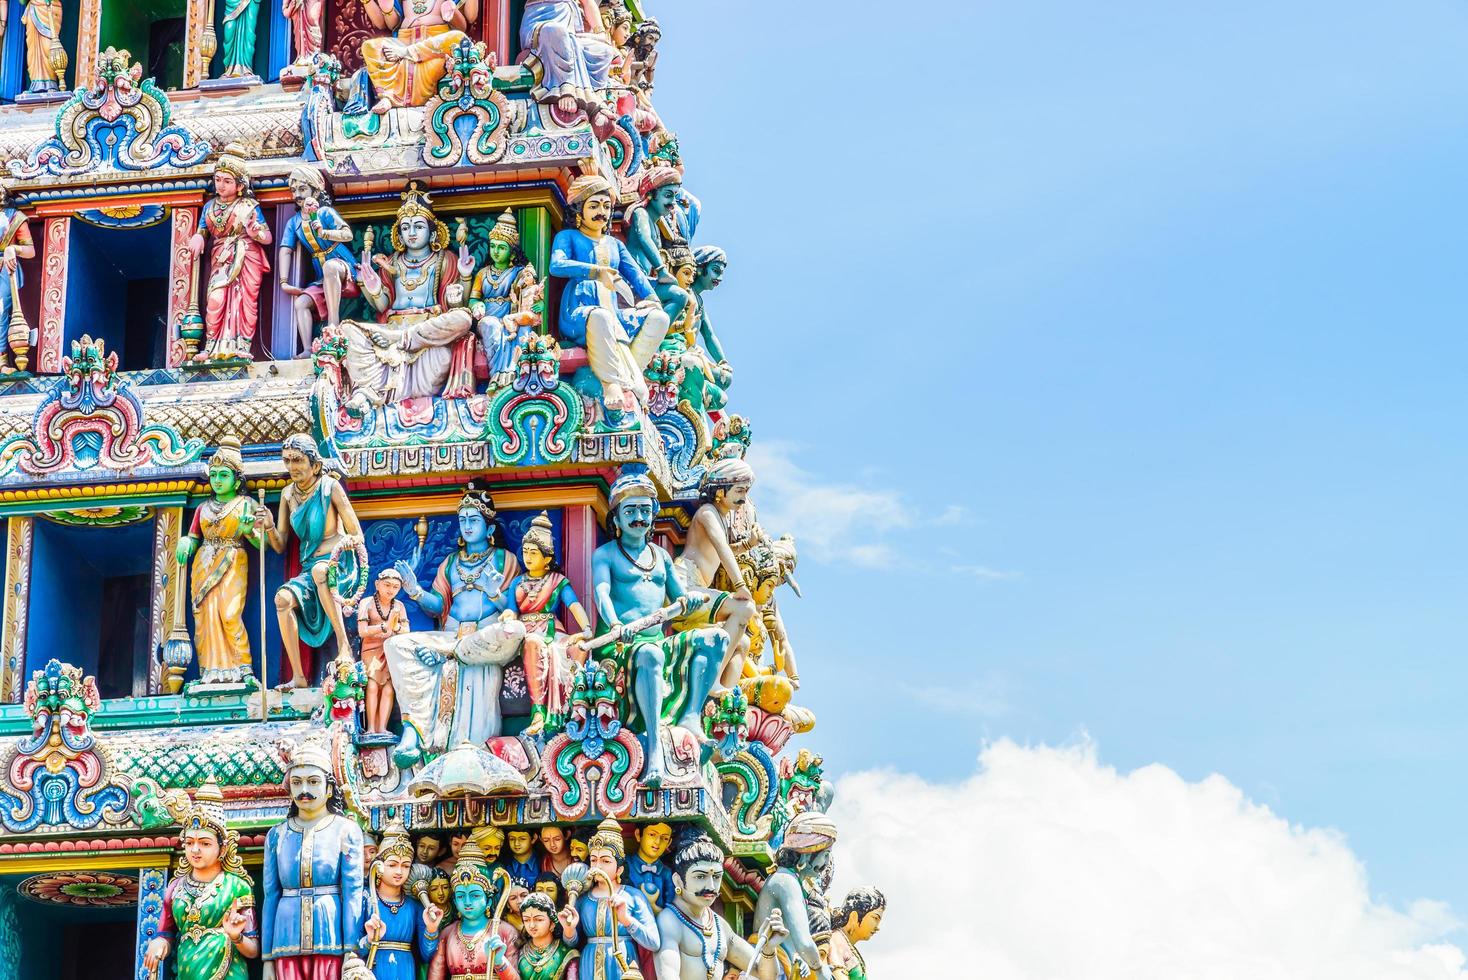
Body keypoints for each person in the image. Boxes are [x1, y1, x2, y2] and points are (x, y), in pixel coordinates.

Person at [590, 470, 724, 786]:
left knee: (714, 638)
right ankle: (653, 752)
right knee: (650, 653)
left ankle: (691, 716)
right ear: (617, 519)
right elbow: (601, 593)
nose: (639, 517)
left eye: (645, 511)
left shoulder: (662, 557)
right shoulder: (606, 555)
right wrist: (616, 623)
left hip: (654, 639)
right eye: (630, 511)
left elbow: (679, 598)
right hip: (620, 643)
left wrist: (690, 600)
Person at [386, 482, 523, 761]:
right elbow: (438, 606)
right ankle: (412, 735)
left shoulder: (504, 560)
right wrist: (415, 591)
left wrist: (495, 591)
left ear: (490, 528)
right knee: (396, 645)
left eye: (474, 520)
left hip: (485, 638)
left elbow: (511, 610)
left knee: (513, 631)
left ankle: (448, 654)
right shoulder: (450, 562)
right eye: (462, 521)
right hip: (451, 636)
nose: (467, 526)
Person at [341, 182, 477, 411]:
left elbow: (457, 306)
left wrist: (464, 277)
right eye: (405, 228)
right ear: (399, 234)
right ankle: (367, 392)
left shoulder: (445, 259)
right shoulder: (393, 261)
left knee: (463, 318)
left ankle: (398, 352)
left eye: (418, 226)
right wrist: (371, 285)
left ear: (433, 232)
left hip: (426, 335)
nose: (412, 233)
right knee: (348, 331)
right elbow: (383, 304)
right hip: (392, 329)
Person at [549, 175, 670, 426]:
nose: (601, 212)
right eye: (594, 206)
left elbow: (635, 275)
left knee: (659, 318)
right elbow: (557, 265)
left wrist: (652, 300)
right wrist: (595, 272)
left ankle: (629, 372)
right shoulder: (569, 237)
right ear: (579, 210)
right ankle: (610, 383)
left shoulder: (615, 245)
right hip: (580, 311)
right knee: (600, 316)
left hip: (614, 313)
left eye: (605, 207)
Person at [257, 434, 364, 687]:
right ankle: (299, 676)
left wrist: (345, 544)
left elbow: (356, 534)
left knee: (320, 571)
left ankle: (344, 647)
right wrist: (270, 526)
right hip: (310, 569)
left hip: (339, 564)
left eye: (298, 460)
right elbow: (281, 544)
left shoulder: (330, 488)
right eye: (287, 461)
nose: (292, 467)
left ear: (314, 465)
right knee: (282, 599)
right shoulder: (287, 495)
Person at [262, 738, 366, 980]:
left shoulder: (346, 830)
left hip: (330, 936)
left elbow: (353, 893)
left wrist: (352, 950)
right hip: (285, 937)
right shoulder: (276, 835)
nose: (303, 790)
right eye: (296, 783)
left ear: (329, 789)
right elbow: (270, 896)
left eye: (313, 782)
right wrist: (268, 959)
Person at [143, 777, 260, 980]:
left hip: (227, 972)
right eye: (189, 843)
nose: (195, 850)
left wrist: (235, 936)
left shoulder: (236, 887)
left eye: (205, 844)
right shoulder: (175, 888)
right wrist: (159, 943)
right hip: (187, 971)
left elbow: (253, 950)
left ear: (222, 848)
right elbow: (166, 934)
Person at [176, 434, 265, 686]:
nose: (217, 480)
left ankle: (244, 669)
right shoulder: (202, 508)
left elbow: (262, 544)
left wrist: (249, 531)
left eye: (223, 475)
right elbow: (194, 536)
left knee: (229, 614)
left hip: (233, 558)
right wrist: (186, 541)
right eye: (213, 475)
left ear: (237, 481)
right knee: (204, 617)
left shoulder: (246, 504)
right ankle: (209, 672)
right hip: (204, 561)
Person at [672, 457, 758, 690]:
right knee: (745, 608)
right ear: (720, 490)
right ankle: (712, 682)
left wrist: (748, 545)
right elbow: (722, 550)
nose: (743, 498)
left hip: (700, 588)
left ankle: (721, 702)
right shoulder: (708, 512)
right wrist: (741, 586)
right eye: (739, 490)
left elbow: (722, 550)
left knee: (743, 644)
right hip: (685, 586)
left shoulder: (718, 516)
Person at [502, 512, 591, 736]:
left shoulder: (557, 581)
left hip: (552, 630)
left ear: (547, 558)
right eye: (525, 552)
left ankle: (572, 710)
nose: (528, 558)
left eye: (534, 553)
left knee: (576, 649)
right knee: (532, 643)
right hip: (525, 632)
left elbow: (573, 605)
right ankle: (539, 711)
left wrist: (586, 629)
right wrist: (507, 616)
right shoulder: (517, 583)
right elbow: (512, 609)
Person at [653, 830, 783, 980]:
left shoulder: (719, 926)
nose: (711, 885)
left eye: (716, 877)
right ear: (678, 880)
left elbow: (765, 974)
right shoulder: (670, 921)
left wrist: (768, 948)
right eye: (700, 876)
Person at [190, 151, 272, 362]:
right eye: (217, 180)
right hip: (220, 258)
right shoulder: (209, 206)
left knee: (244, 302)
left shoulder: (248, 206)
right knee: (215, 301)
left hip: (245, 257)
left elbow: (268, 237)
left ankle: (242, 345)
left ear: (240, 186)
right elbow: (202, 230)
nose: (220, 185)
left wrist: (256, 233)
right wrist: (199, 237)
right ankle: (210, 347)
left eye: (227, 181)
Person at [564, 819, 658, 980]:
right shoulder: (583, 899)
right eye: (593, 860)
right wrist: (569, 929)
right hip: (589, 963)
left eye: (606, 861)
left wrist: (626, 920)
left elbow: (654, 942)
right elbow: (571, 943)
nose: (598, 866)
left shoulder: (633, 896)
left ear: (620, 868)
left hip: (622, 960)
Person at [279, 166, 357, 355]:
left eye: (302, 189)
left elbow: (348, 235)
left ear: (315, 191)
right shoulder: (294, 222)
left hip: (340, 263)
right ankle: (307, 349)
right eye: (294, 190)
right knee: (301, 304)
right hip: (321, 272)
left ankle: (333, 324)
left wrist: (325, 232)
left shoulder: (325, 213)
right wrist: (283, 281)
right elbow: (286, 250)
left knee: (330, 267)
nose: (298, 195)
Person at [752, 812, 837, 980]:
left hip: (781, 963)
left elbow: (790, 941)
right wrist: (820, 969)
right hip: (769, 966)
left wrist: (799, 958)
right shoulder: (786, 881)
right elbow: (804, 943)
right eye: (825, 855)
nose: (826, 864)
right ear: (807, 852)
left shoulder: (792, 881)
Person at [361, 821, 444, 980]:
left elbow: (427, 956)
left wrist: (432, 929)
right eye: (392, 865)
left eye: (405, 866)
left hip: (405, 969)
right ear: (379, 865)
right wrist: (369, 940)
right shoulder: (366, 899)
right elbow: (352, 949)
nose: (399, 871)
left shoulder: (414, 906)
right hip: (374, 968)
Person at [360, 0, 478, 111]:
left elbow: (467, 21)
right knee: (370, 46)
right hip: (403, 40)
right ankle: (388, 97)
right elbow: (388, 25)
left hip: (433, 45)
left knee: (458, 38)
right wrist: (387, 10)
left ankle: (408, 52)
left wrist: (452, 13)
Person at [469, 210, 540, 390]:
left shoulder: (519, 272)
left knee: (523, 328)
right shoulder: (482, 273)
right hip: (488, 318)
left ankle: (518, 374)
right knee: (492, 325)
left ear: (512, 251)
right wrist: (476, 305)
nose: (496, 251)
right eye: (493, 246)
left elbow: (530, 301)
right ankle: (497, 377)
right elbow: (473, 299)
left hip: (511, 317)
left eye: (502, 247)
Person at [426, 841, 518, 980]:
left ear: (488, 900)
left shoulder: (504, 931)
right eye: (461, 896)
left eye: (475, 895)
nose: (467, 902)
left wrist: (499, 962)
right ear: (455, 901)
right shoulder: (447, 933)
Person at [519, 0, 616, 124]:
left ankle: (597, 100)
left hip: (571, 33)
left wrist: (601, 33)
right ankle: (564, 88)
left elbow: (588, 2)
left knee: (604, 51)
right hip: (541, 21)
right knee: (557, 32)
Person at [357, 568, 409, 734]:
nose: (390, 590)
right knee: (372, 686)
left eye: (395, 587)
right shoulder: (367, 603)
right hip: (371, 649)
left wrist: (396, 626)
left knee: (388, 688)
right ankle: (371, 728)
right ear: (377, 584)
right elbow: (362, 631)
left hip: (390, 650)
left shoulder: (399, 606)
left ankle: (382, 728)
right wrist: (383, 627)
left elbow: (407, 630)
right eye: (387, 585)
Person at [0, 187, 34, 375]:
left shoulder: (14, 218)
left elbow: (30, 251)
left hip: (4, 268)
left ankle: (1, 362)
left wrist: (13, 249)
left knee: (0, 310)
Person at [517, 893, 579, 980]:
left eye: (539, 919)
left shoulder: (566, 954)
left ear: (552, 923)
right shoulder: (519, 953)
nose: (531, 925)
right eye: (526, 920)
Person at [827, 888, 885, 980]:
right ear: (854, 916)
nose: (877, 927)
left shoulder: (847, 945)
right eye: (875, 918)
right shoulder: (836, 941)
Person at [625, 823, 674, 915]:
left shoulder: (667, 873)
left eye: (665, 838)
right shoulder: (625, 864)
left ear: (669, 843)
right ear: (638, 835)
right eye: (652, 835)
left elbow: (671, 910)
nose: (657, 842)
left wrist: (653, 907)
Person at [219, 0, 262, 77]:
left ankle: (246, 67)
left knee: (249, 34)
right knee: (229, 32)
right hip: (231, 3)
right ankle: (229, 68)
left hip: (250, 2)